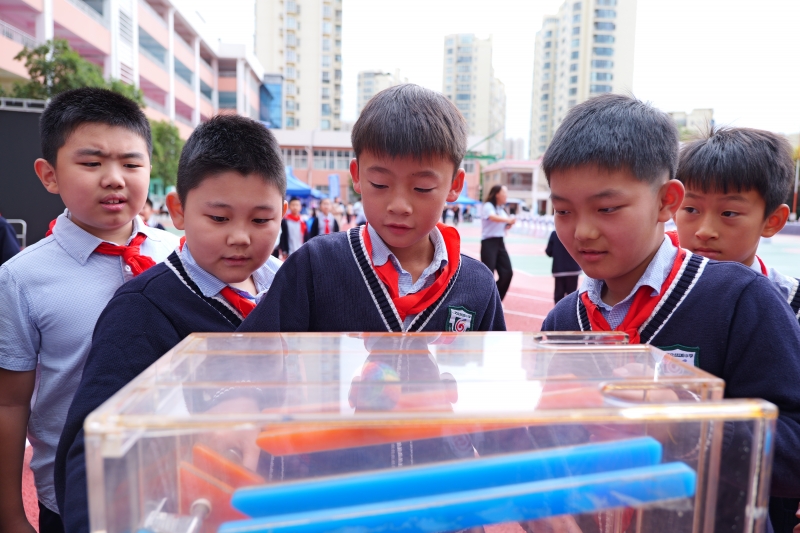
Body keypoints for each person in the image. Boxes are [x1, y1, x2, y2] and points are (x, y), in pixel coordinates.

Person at [539, 94, 800, 533]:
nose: (582, 231)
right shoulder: (563, 322)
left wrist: (687, 423)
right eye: (563, 210)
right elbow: (550, 452)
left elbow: (794, 448)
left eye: (607, 209)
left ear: (667, 202)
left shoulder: (740, 299)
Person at [53, 114, 286, 533]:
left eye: (260, 220)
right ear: (178, 210)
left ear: (282, 214)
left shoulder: (288, 287)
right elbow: (95, 449)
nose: (240, 237)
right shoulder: (141, 310)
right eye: (219, 218)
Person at [0, 88, 179, 533]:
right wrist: (10, 515)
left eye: (131, 164)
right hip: (73, 498)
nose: (114, 179)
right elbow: (10, 403)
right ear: (49, 175)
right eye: (92, 163)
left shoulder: (183, 255)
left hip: (177, 488)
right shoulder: (22, 278)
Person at [239, 83, 505, 334]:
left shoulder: (477, 284)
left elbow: (494, 366)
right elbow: (251, 355)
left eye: (422, 188)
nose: (399, 206)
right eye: (379, 184)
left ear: (455, 185)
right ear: (356, 175)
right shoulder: (314, 266)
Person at [675, 127, 799, 323]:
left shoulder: (792, 305)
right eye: (691, 209)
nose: (705, 231)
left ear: (772, 221)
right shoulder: (649, 294)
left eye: (729, 213)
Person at [480, 184, 515, 300]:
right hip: (489, 243)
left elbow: (503, 225)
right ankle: (485, 301)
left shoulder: (502, 209)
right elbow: (492, 217)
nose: (506, 195)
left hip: (500, 242)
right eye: (504, 193)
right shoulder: (488, 206)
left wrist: (508, 224)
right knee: (488, 274)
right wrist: (508, 219)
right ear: (497, 194)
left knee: (507, 272)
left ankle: (496, 299)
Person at [545, 230, 581, 304]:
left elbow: (549, 251)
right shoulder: (576, 233)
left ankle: (559, 311)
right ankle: (571, 311)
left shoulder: (555, 233)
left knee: (559, 296)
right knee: (572, 297)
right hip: (573, 269)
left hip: (559, 269)